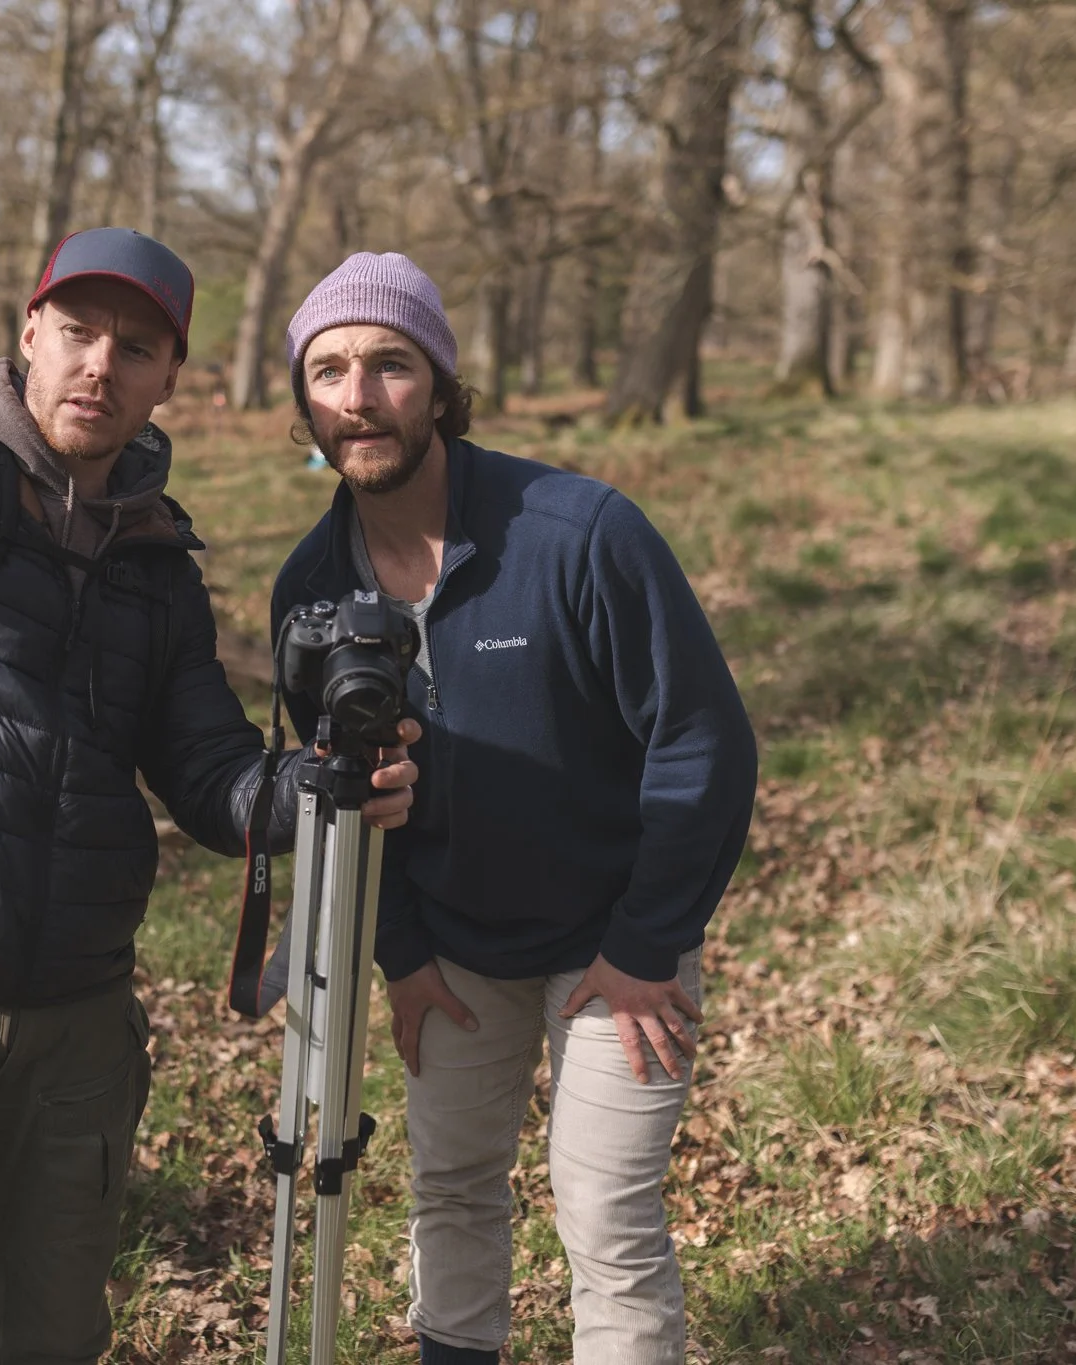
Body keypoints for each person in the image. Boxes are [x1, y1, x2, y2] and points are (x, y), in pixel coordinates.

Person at [0, 137, 419, 1365]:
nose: (100, 365)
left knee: (57, 1335)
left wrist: (312, 786)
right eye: (77, 330)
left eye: (137, 345)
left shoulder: (156, 562)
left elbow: (206, 767)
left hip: (72, 1010)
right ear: (28, 335)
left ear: (170, 376)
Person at [271, 252, 758, 1365]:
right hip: (452, 951)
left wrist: (644, 947)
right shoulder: (308, 590)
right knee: (446, 1190)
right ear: (302, 399)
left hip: (614, 945)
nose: (358, 397)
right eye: (329, 370)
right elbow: (337, 788)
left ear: (438, 383)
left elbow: (703, 741)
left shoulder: (577, 533)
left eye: (390, 365)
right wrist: (398, 952)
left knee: (603, 1217)